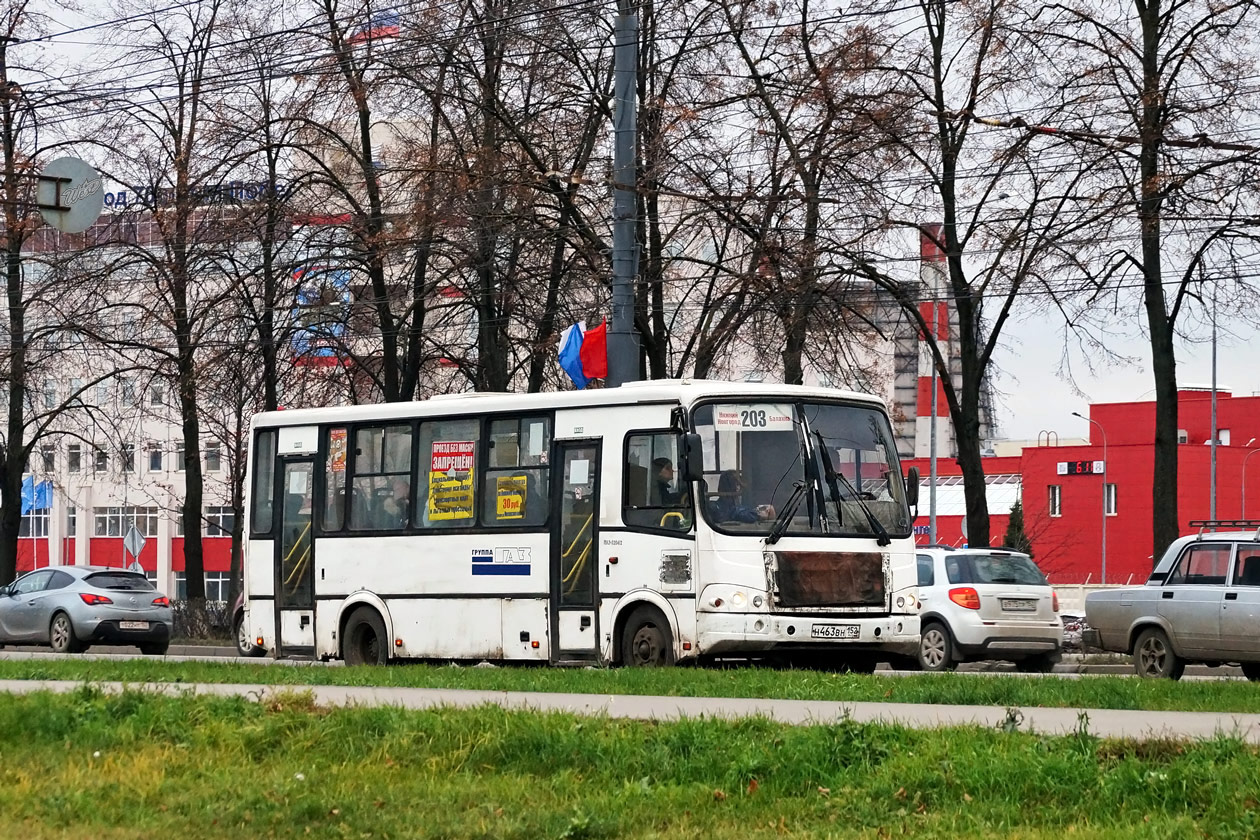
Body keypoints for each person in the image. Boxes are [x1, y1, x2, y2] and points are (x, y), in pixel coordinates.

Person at [710, 470, 775, 523]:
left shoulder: (733, 506)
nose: (739, 489)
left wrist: (756, 510)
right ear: (733, 487)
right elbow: (736, 513)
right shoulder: (718, 508)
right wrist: (760, 514)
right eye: (737, 485)